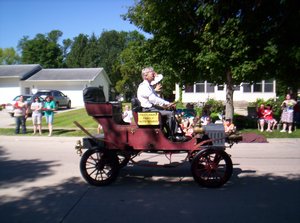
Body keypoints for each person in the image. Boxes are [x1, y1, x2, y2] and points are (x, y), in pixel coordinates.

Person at [137, 67, 178, 140]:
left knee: (168, 112)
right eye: (151, 72)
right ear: (145, 76)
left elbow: (160, 77)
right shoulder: (144, 86)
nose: (153, 73)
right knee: (170, 113)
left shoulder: (149, 85)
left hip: (152, 109)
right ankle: (172, 136)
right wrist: (167, 103)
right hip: (148, 110)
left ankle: (168, 134)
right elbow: (153, 99)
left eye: (153, 72)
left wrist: (166, 105)